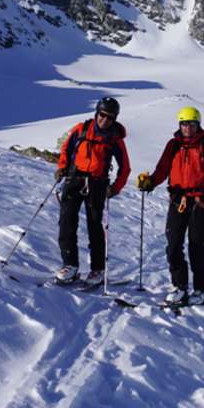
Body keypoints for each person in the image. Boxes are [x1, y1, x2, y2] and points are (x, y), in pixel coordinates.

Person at [136, 106, 204, 305]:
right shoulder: (173, 145)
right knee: (173, 244)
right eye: (183, 123)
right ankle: (179, 286)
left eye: (191, 123)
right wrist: (150, 182)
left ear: (198, 124)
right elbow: (162, 169)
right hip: (177, 199)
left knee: (196, 245)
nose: (187, 127)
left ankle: (201, 288)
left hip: (200, 201)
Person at [53, 97, 130, 285]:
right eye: (102, 115)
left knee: (95, 226)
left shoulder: (115, 139)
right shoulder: (81, 129)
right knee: (67, 220)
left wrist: (115, 188)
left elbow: (125, 167)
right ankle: (70, 265)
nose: (105, 120)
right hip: (74, 179)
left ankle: (97, 269)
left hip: (97, 183)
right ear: (97, 113)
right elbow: (66, 149)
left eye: (110, 117)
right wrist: (62, 167)